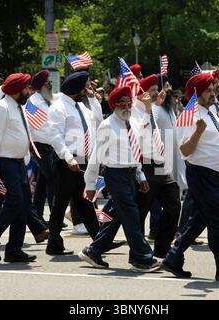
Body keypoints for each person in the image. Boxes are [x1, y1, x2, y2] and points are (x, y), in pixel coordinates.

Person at [162, 73, 219, 281]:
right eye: (208, 90)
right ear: (196, 93)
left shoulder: (211, 112)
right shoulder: (188, 116)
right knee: (216, 220)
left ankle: (173, 257)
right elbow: (184, 150)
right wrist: (198, 131)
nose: (213, 93)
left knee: (200, 220)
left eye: (213, 89)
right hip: (201, 174)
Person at [79, 86, 160, 272]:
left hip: (131, 174)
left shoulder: (131, 121)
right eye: (121, 103)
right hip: (115, 175)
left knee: (116, 216)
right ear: (114, 105)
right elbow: (95, 157)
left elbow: (135, 149)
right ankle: (143, 258)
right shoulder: (107, 126)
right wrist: (90, 184)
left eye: (128, 102)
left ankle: (94, 250)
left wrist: (140, 175)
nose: (125, 106)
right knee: (131, 216)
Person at [0, 73, 37, 263]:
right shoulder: (1, 108)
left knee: (23, 204)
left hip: (18, 162)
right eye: (26, 88)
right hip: (5, 161)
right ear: (16, 90)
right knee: (14, 200)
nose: (28, 91)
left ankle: (14, 249)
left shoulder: (18, 107)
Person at [46, 71, 100, 255]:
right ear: (77, 88)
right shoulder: (59, 107)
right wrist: (68, 158)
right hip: (66, 162)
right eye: (85, 86)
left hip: (83, 161)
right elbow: (54, 136)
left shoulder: (81, 107)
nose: (88, 88)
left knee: (85, 202)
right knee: (60, 203)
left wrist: (92, 100)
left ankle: (99, 241)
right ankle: (53, 243)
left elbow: (97, 121)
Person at [135, 74, 181, 257]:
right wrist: (148, 108)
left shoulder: (153, 107)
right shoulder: (136, 110)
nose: (156, 93)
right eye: (152, 90)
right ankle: (137, 252)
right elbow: (141, 135)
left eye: (156, 89)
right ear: (143, 93)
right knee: (140, 212)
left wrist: (154, 104)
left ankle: (162, 248)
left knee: (173, 205)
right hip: (146, 164)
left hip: (161, 164)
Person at [27, 70, 55, 224]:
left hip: (49, 146)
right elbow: (35, 128)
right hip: (40, 145)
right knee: (52, 180)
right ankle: (54, 215)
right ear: (40, 85)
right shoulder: (33, 103)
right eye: (47, 81)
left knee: (44, 181)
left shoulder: (45, 100)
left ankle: (37, 213)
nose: (50, 83)